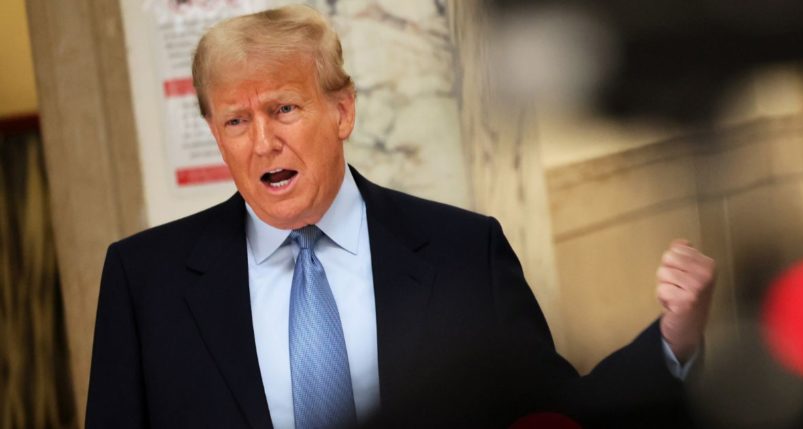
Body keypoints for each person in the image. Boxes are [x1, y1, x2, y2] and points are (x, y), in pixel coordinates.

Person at [85, 5, 715, 429]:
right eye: (236, 121)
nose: (262, 143)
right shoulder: (146, 282)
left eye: (283, 109)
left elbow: (557, 412)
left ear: (342, 111)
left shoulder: (463, 252)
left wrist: (673, 340)